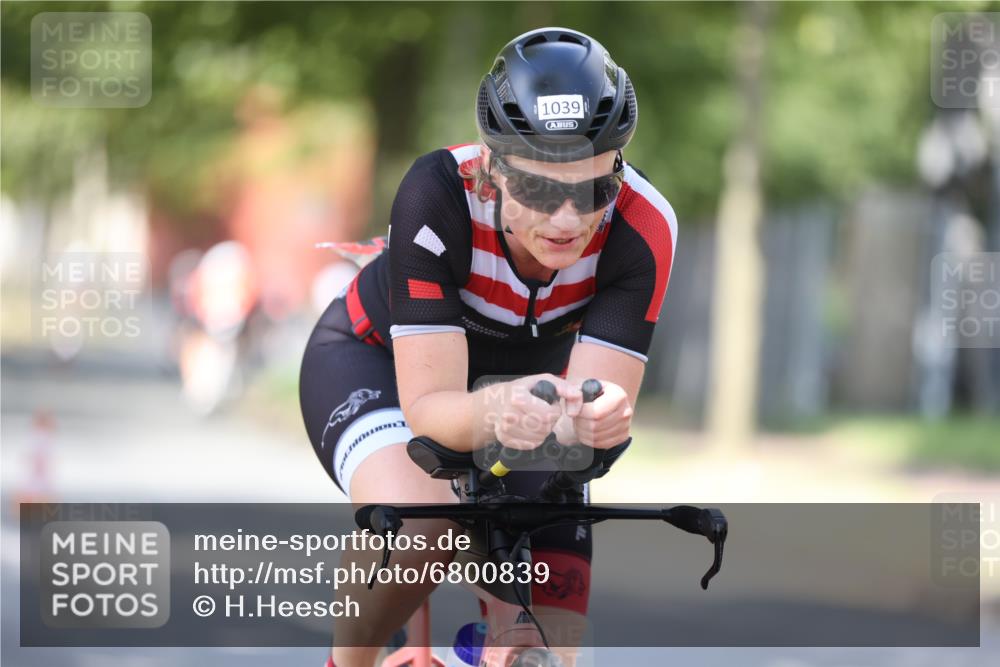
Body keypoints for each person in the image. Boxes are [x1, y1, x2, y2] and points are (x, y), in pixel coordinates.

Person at [299, 26, 677, 667]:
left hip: (530, 402)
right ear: (492, 168)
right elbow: (431, 409)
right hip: (378, 365)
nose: (567, 221)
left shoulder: (643, 226)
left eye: (593, 191)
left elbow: (579, 429)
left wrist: (602, 417)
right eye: (537, 190)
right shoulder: (436, 192)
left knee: (543, 653)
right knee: (424, 525)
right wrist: (494, 414)